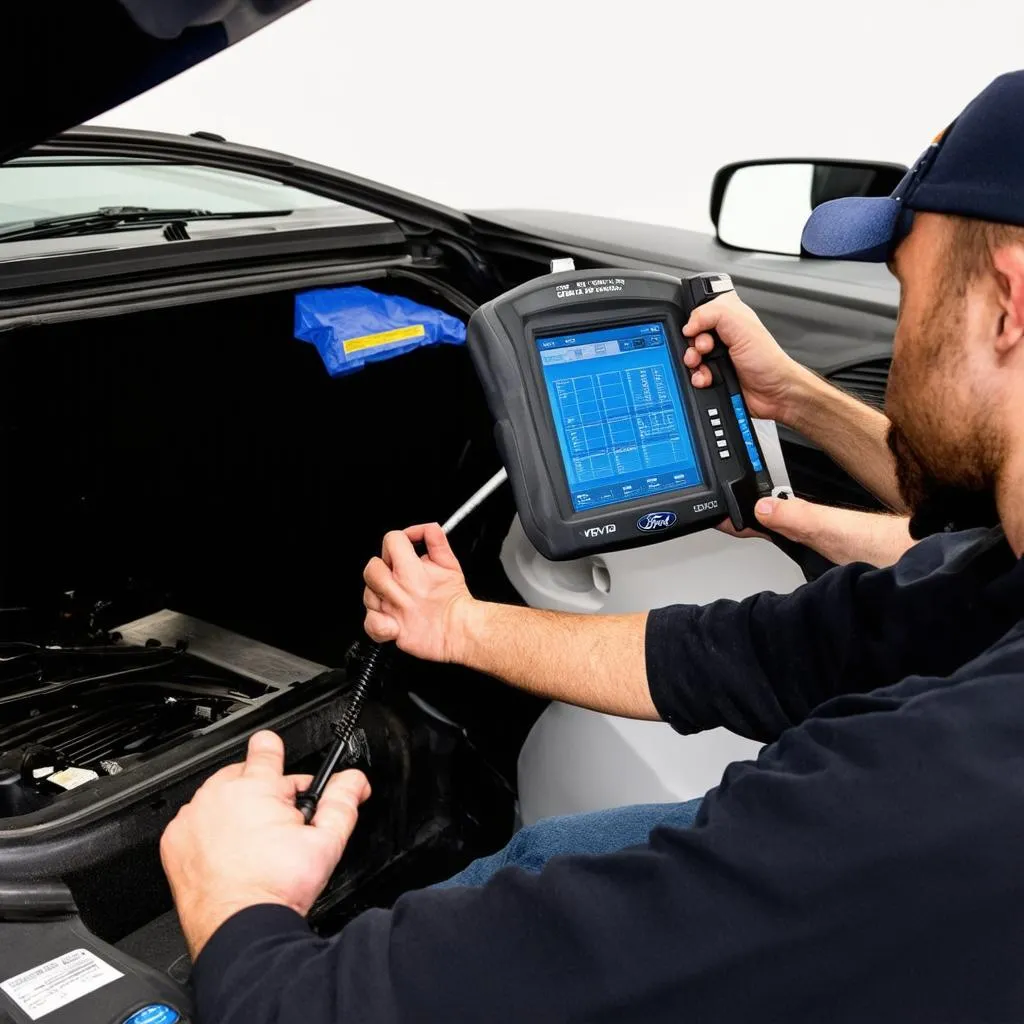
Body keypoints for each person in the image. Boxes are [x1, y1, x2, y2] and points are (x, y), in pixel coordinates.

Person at [161, 71, 1024, 1023]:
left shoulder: (931, 800)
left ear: (1008, 305)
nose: (898, 339)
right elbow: (738, 654)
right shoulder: (993, 588)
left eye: (906, 290)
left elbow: (310, 1011)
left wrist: (236, 904)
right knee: (547, 854)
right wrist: (456, 626)